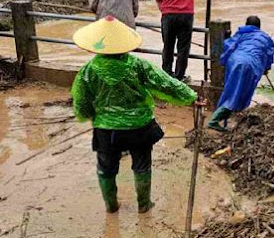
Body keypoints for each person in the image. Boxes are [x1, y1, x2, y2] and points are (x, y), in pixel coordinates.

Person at [71, 16, 196, 214]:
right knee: (142, 165)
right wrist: (191, 97)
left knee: (106, 167)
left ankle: (111, 206)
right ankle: (144, 205)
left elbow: (81, 101)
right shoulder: (138, 65)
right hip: (140, 127)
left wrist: (90, 115)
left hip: (106, 129)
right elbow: (166, 82)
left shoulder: (88, 71)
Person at [149, 0, 217, 81]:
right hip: (186, 16)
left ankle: (167, 75)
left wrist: (162, 9)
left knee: (168, 46)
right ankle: (179, 77)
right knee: (183, 48)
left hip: (168, 15)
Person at [207, 16, 274, 132]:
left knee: (231, 90)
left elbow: (229, 46)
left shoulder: (242, 33)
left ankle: (225, 119)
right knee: (240, 93)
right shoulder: (266, 38)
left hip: (234, 61)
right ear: (259, 27)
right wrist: (266, 68)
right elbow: (269, 55)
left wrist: (223, 61)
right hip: (251, 64)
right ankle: (214, 121)